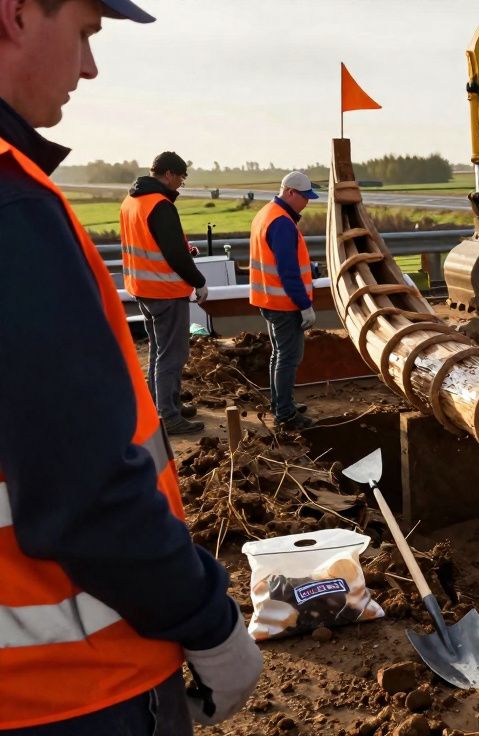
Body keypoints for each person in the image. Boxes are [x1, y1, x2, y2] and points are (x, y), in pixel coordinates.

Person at [0, 0, 261, 734]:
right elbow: (83, 489)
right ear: (17, 14)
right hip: (72, 690)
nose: (89, 64)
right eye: (83, 32)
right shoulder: (12, 205)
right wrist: (208, 622)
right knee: (169, 366)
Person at [121, 150, 207, 435]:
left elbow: (156, 245)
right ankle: (169, 417)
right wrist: (198, 280)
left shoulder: (132, 201)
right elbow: (173, 254)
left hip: (143, 288)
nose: (181, 183)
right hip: (165, 290)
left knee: (159, 351)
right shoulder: (160, 205)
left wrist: (183, 250)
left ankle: (159, 405)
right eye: (181, 177)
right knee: (172, 354)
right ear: (168, 174)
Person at [248, 171, 317, 430]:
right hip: (284, 303)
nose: (307, 202)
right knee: (288, 356)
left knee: (279, 355)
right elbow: (288, 270)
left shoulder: (267, 213)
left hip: (268, 299)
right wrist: (304, 305)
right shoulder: (282, 222)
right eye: (304, 197)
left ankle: (281, 404)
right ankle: (285, 414)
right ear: (290, 193)